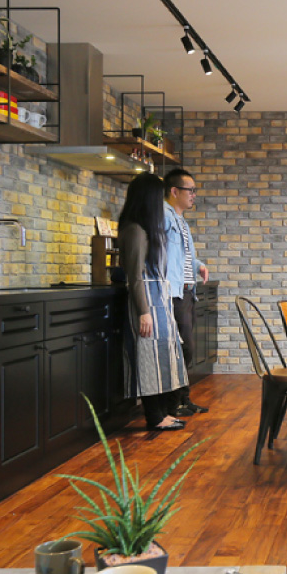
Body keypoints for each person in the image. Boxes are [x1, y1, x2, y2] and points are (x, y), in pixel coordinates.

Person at [119, 173, 189, 431]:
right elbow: (135, 276)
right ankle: (155, 417)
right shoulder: (135, 231)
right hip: (147, 303)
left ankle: (162, 414)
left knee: (161, 358)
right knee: (149, 360)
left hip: (158, 300)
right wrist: (144, 311)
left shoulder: (146, 229)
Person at [163, 168, 210, 416]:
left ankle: (183, 399)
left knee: (186, 349)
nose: (194, 195)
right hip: (174, 293)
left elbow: (184, 255)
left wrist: (199, 265)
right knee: (183, 348)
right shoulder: (163, 217)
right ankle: (173, 403)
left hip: (188, 292)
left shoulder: (181, 220)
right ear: (174, 191)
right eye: (190, 190)